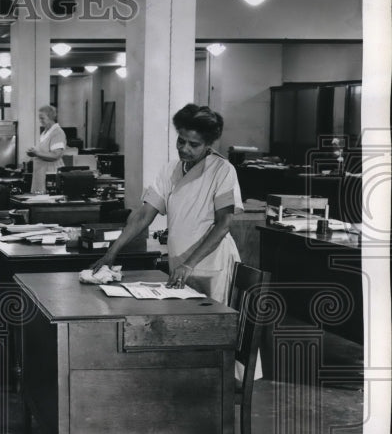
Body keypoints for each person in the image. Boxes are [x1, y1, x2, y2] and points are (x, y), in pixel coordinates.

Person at [90, 104, 242, 302]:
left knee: (210, 317)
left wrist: (189, 264)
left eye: (194, 144)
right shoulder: (170, 170)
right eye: (181, 141)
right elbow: (143, 216)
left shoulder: (222, 170)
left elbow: (224, 224)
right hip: (179, 266)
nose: (184, 148)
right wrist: (112, 252)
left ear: (207, 145)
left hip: (210, 265)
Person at [25, 105, 67, 194]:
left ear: (50, 117)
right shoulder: (45, 133)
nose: (40, 121)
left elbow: (56, 155)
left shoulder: (57, 133)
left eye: (42, 118)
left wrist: (36, 153)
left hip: (50, 175)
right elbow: (43, 151)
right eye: (39, 118)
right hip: (41, 174)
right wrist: (33, 152)